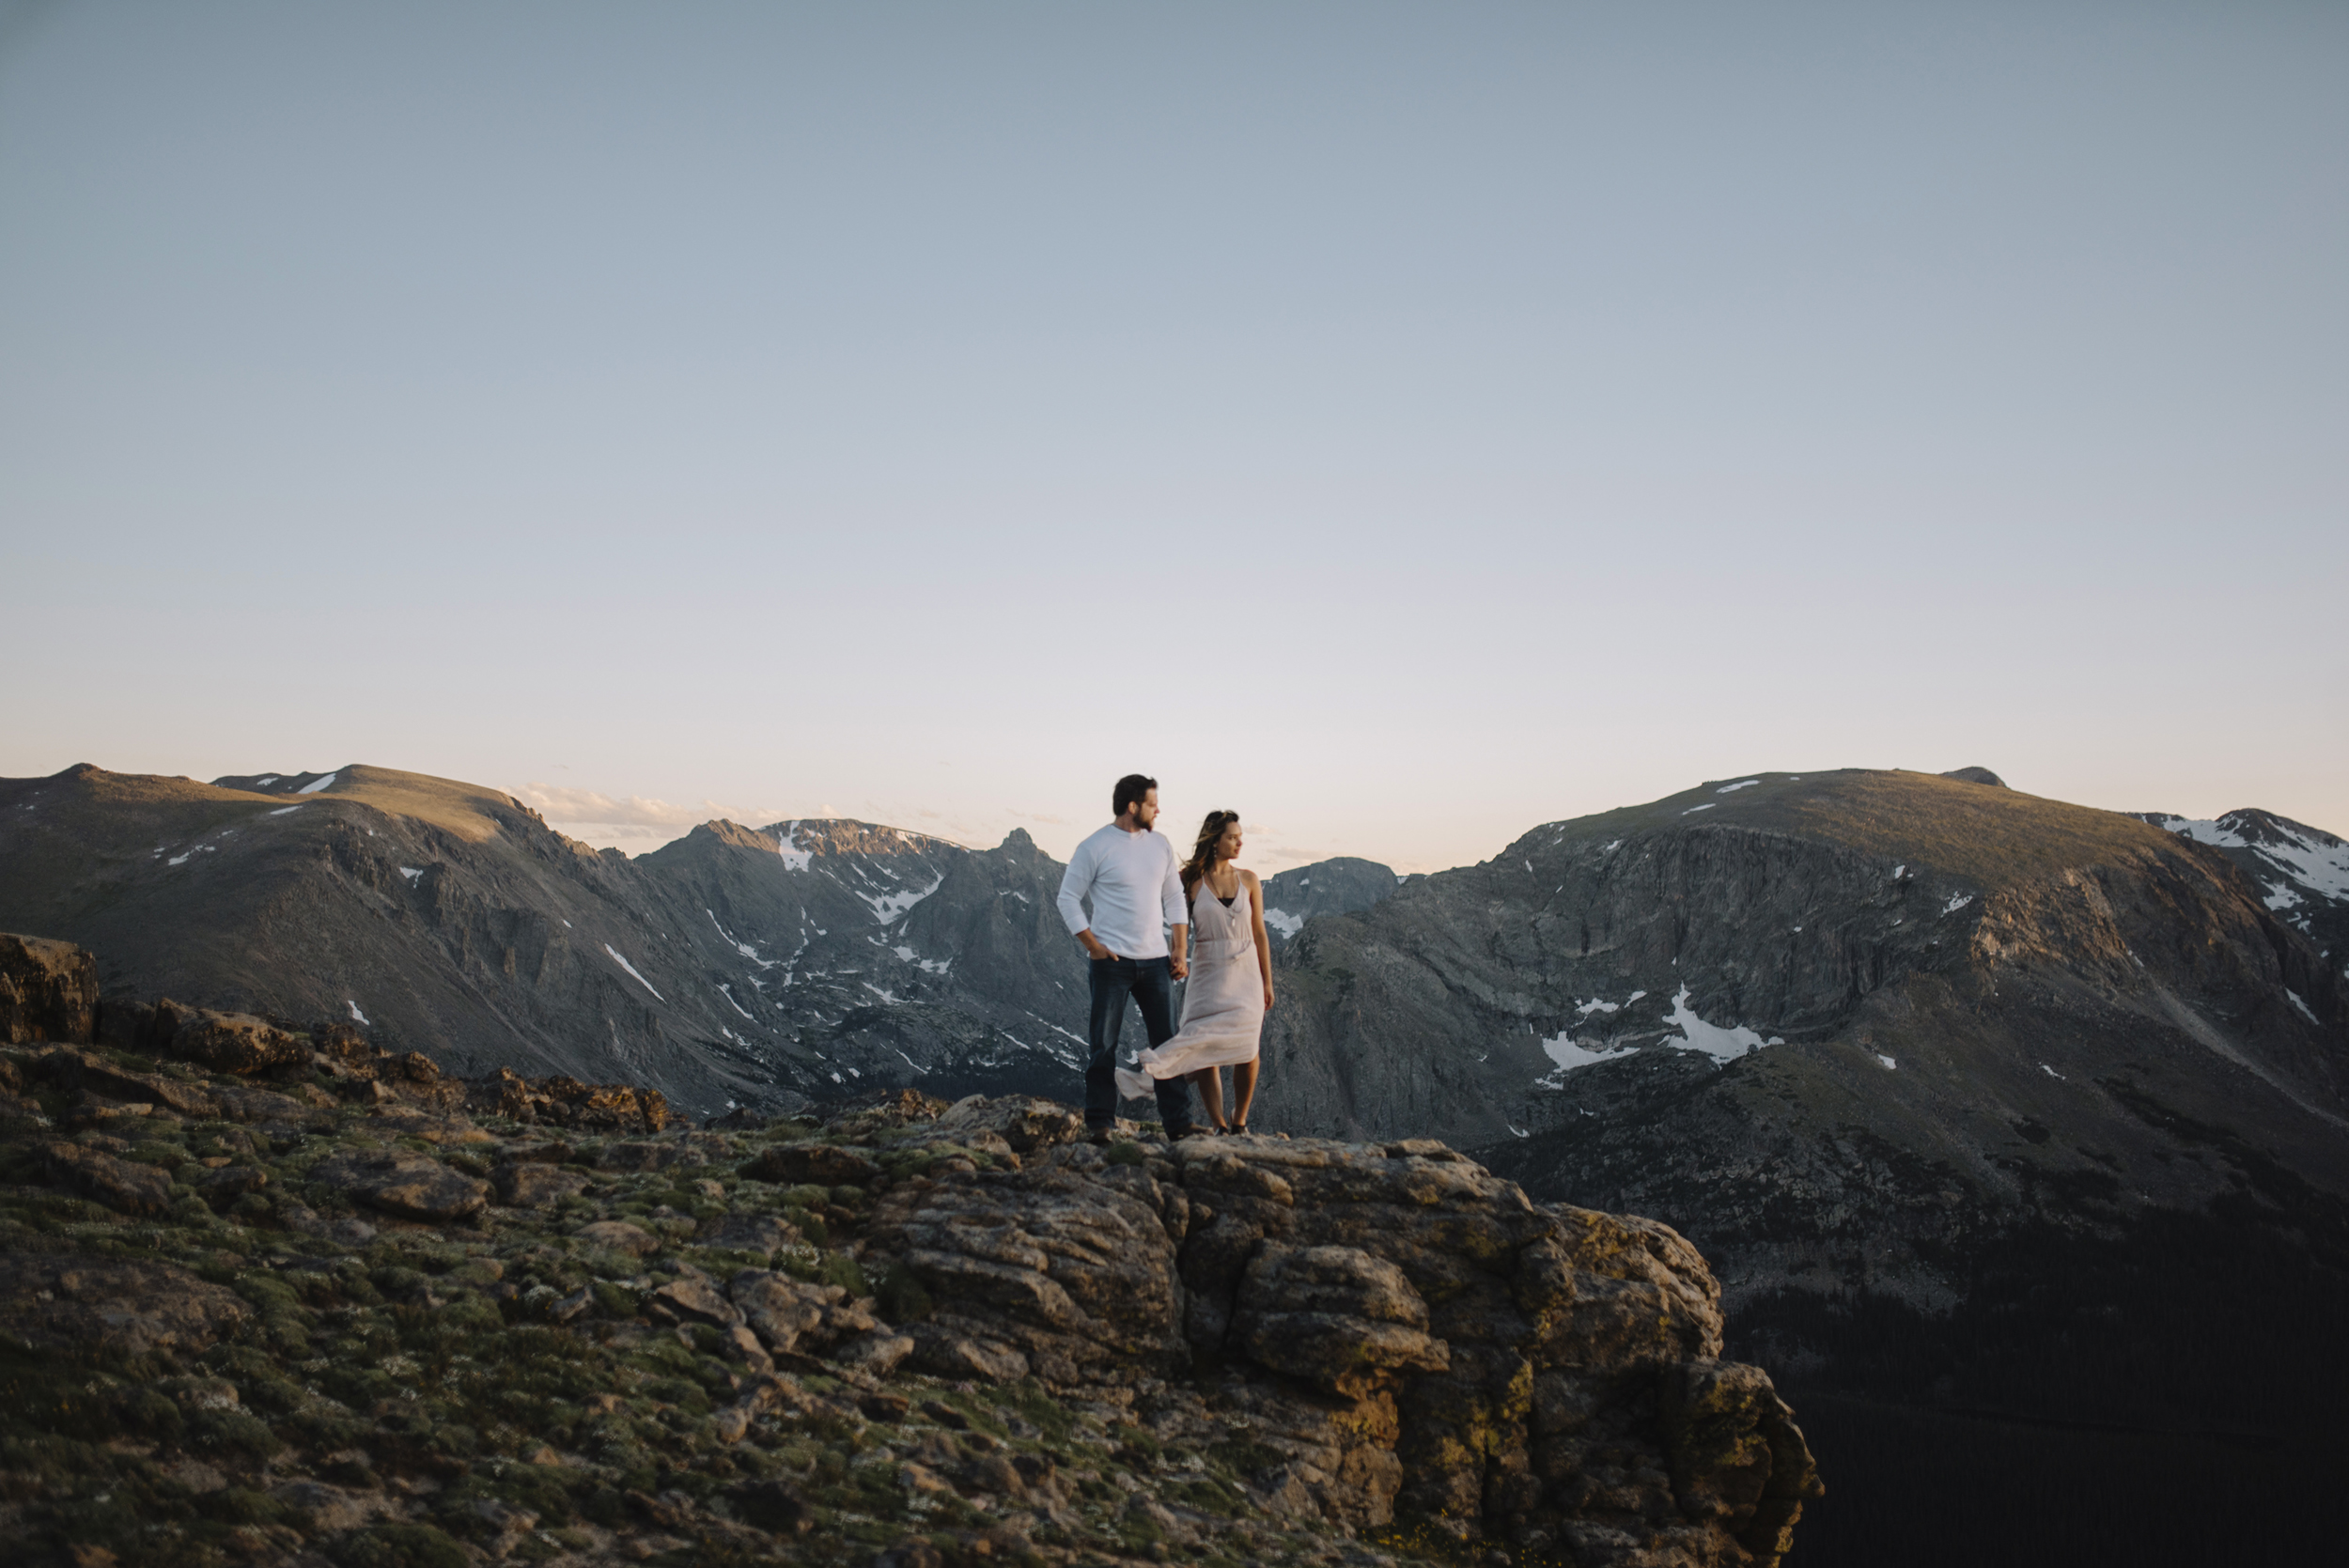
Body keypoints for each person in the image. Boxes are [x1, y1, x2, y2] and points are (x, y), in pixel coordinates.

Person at [1056, 773, 1194, 1140]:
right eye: (1152, 803)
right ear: (1133, 807)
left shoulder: (1161, 845)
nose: (1158, 809)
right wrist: (1093, 946)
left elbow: (1175, 900)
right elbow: (1066, 897)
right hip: (1111, 964)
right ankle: (1100, 1123)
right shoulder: (1094, 846)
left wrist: (1180, 950)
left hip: (1156, 963)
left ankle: (1178, 1125)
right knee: (1103, 1045)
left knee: (1167, 1045)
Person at [1115, 809, 1271, 1133]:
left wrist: (1267, 981)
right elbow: (1178, 926)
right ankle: (1219, 1125)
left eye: (1240, 836)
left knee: (1248, 1046)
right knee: (1203, 1047)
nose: (1239, 842)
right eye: (1232, 836)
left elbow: (1260, 934)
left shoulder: (1250, 880)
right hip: (1208, 974)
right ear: (1215, 841)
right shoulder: (1190, 881)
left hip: (1246, 976)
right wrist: (1178, 956)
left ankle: (1240, 1120)